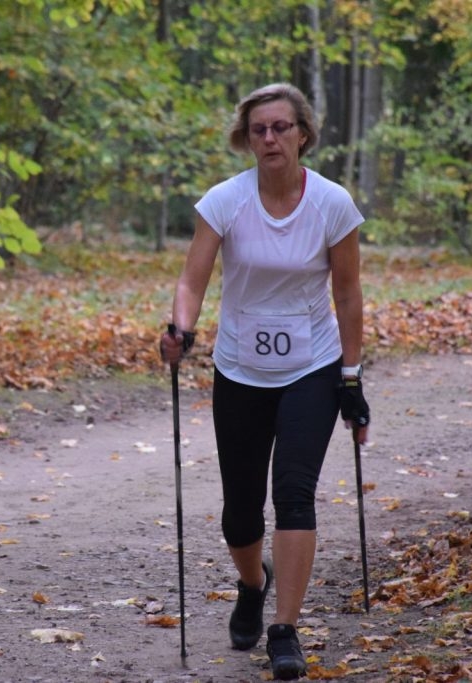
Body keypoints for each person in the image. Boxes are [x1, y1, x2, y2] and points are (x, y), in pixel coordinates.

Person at [160, 82, 370, 680]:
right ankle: (252, 583)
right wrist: (181, 329)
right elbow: (192, 281)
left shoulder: (332, 203)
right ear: (246, 138)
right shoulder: (225, 201)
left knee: (294, 494)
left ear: (303, 133)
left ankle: (285, 630)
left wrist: (350, 376)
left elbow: (348, 293)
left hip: (312, 365)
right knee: (240, 513)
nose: (270, 138)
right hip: (240, 369)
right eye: (259, 130)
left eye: (281, 127)